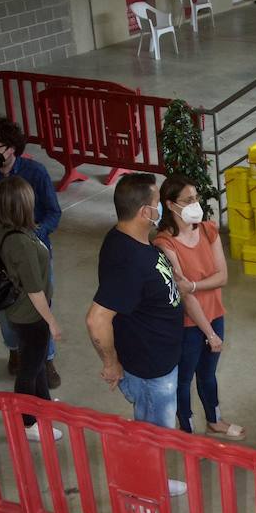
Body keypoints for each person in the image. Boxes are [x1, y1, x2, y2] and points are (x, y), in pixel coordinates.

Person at [85, 175, 187, 493]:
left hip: (160, 359)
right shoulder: (128, 261)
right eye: (157, 204)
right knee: (152, 434)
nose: (160, 210)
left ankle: (151, 478)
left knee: (157, 431)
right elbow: (96, 319)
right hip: (149, 369)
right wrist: (111, 363)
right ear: (145, 211)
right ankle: (146, 489)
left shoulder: (130, 240)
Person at [0, 116, 62, 386]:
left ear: (11, 148)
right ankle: (15, 350)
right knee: (6, 309)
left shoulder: (36, 172)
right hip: (3, 256)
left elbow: (54, 213)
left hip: (36, 252)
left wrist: (34, 236)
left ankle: (47, 358)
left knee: (41, 305)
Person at [155, 174, 245, 439]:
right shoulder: (164, 243)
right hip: (188, 324)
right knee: (183, 379)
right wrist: (209, 333)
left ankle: (214, 420)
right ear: (171, 205)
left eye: (196, 198)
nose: (196, 203)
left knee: (208, 373)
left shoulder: (208, 230)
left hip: (215, 314)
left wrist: (194, 285)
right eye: (189, 200)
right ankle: (187, 431)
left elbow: (223, 277)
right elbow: (184, 297)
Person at [0, 176, 63, 442]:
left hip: (23, 313)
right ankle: (27, 422)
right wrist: (52, 321)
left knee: (37, 362)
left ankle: (42, 404)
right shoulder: (20, 242)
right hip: (31, 315)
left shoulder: (6, 229)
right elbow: (34, 288)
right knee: (30, 369)